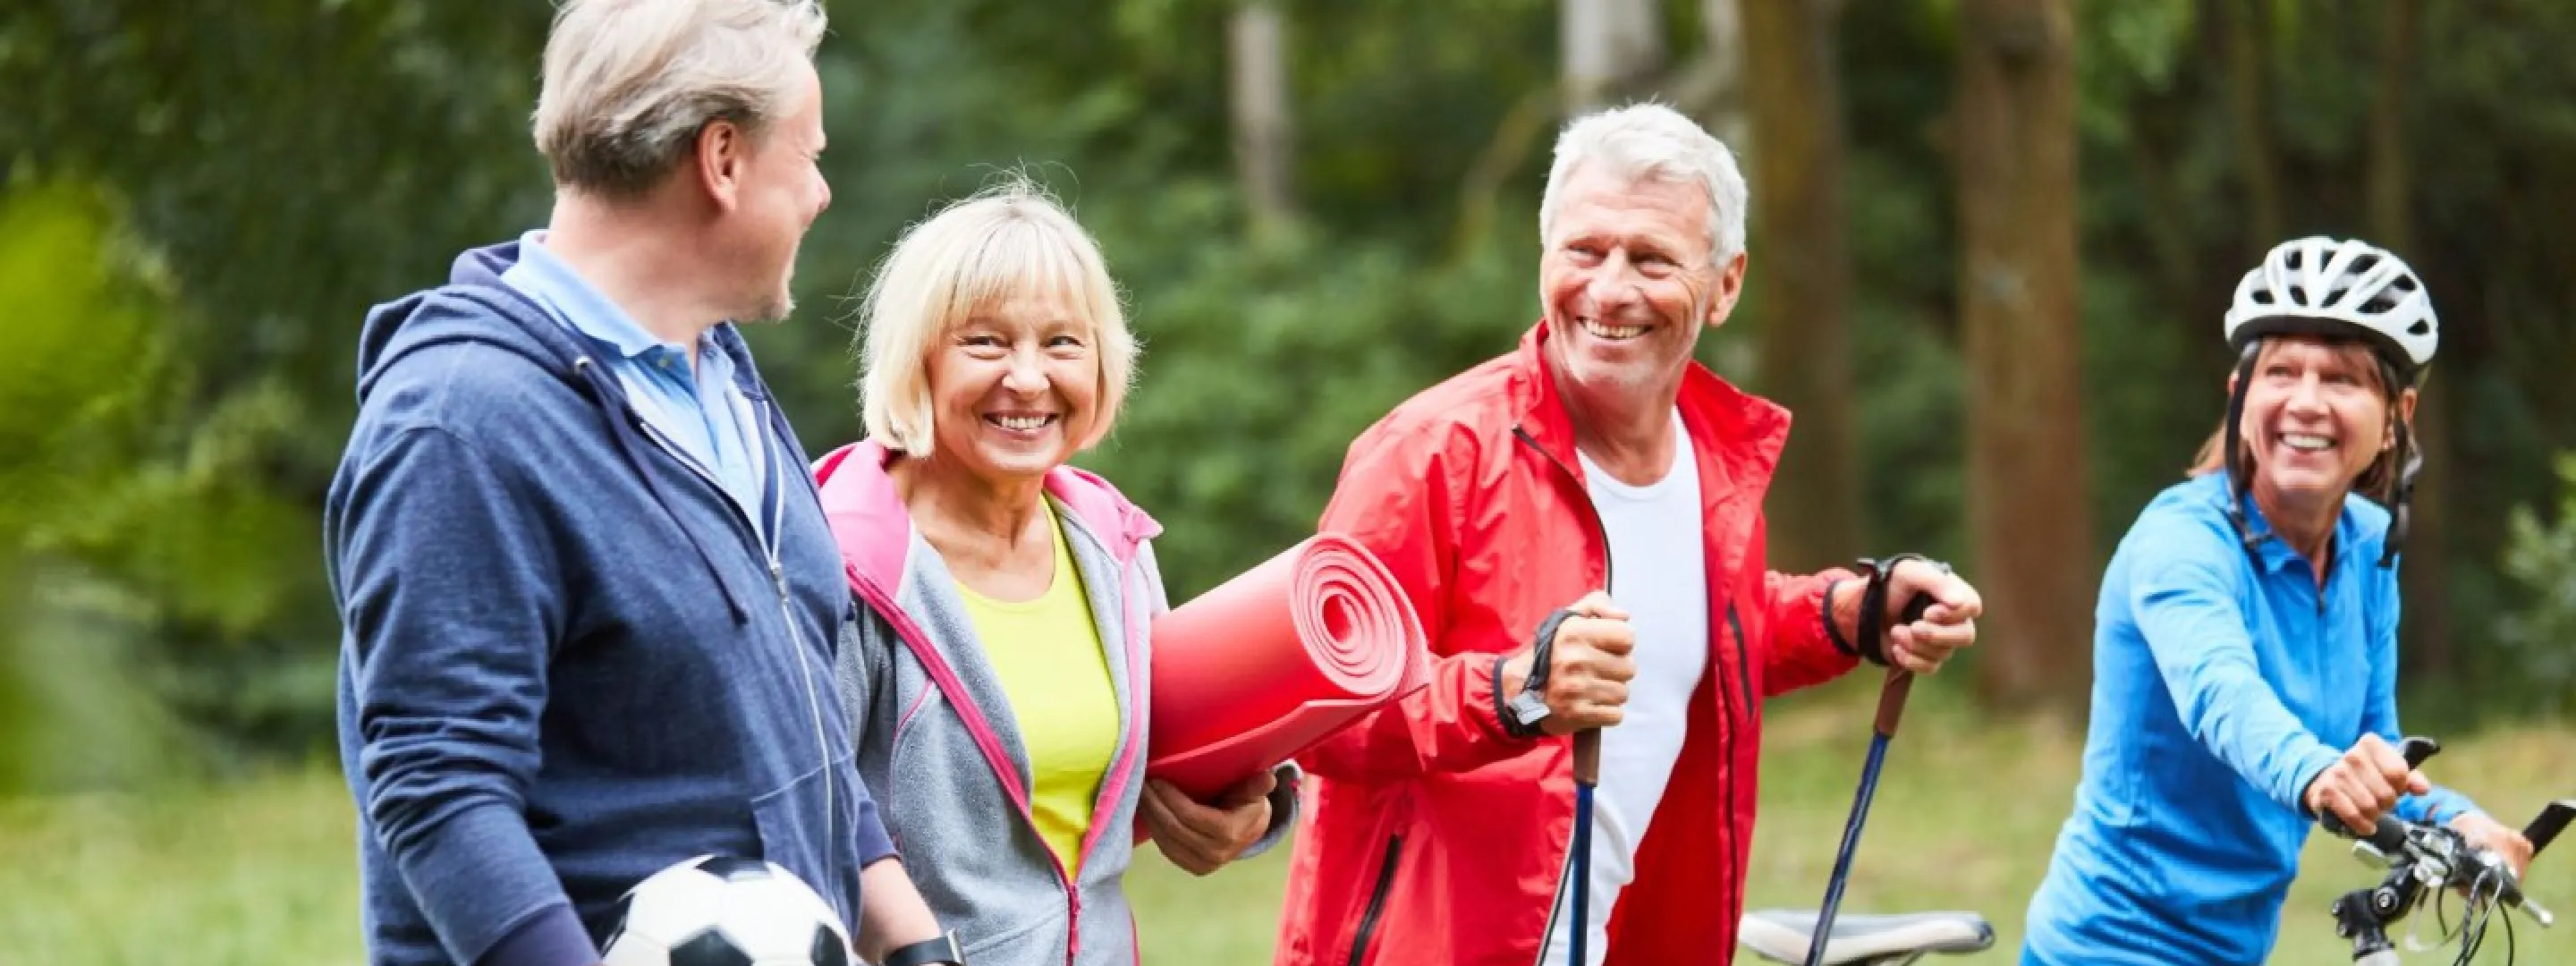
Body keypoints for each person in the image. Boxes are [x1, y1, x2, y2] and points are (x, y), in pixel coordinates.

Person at [1269, 102, 1986, 966]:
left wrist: (1851, 614)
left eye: (1651, 259)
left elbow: (1703, 628)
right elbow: (1312, 713)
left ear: (1725, 285)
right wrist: (1517, 692)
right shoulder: (1431, 454)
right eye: (1584, 251)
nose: (1609, 290)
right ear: (1545, 259)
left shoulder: (1714, 458)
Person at [326, 3, 957, 964]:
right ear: (723, 160)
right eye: (809, 155)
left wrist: (919, 950)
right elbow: (441, 795)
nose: (822, 193)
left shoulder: (719, 375)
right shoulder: (458, 422)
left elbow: (803, 737)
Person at [814, 177, 1299, 966]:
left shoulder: (1110, 543)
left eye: (1063, 343)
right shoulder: (842, 562)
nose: (1030, 378)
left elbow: (1163, 759)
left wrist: (1249, 806)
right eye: (986, 342)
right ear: (919, 359)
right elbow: (802, 809)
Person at [2019, 237, 2538, 965]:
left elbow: (2374, 746)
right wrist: (2316, 772)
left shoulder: (2368, 543)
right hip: (2111, 947)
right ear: (2241, 397)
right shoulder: (2181, 541)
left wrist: (2462, 821)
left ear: (2396, 414)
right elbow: (2221, 694)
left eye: (2342, 379)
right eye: (2282, 371)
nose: (2305, 401)